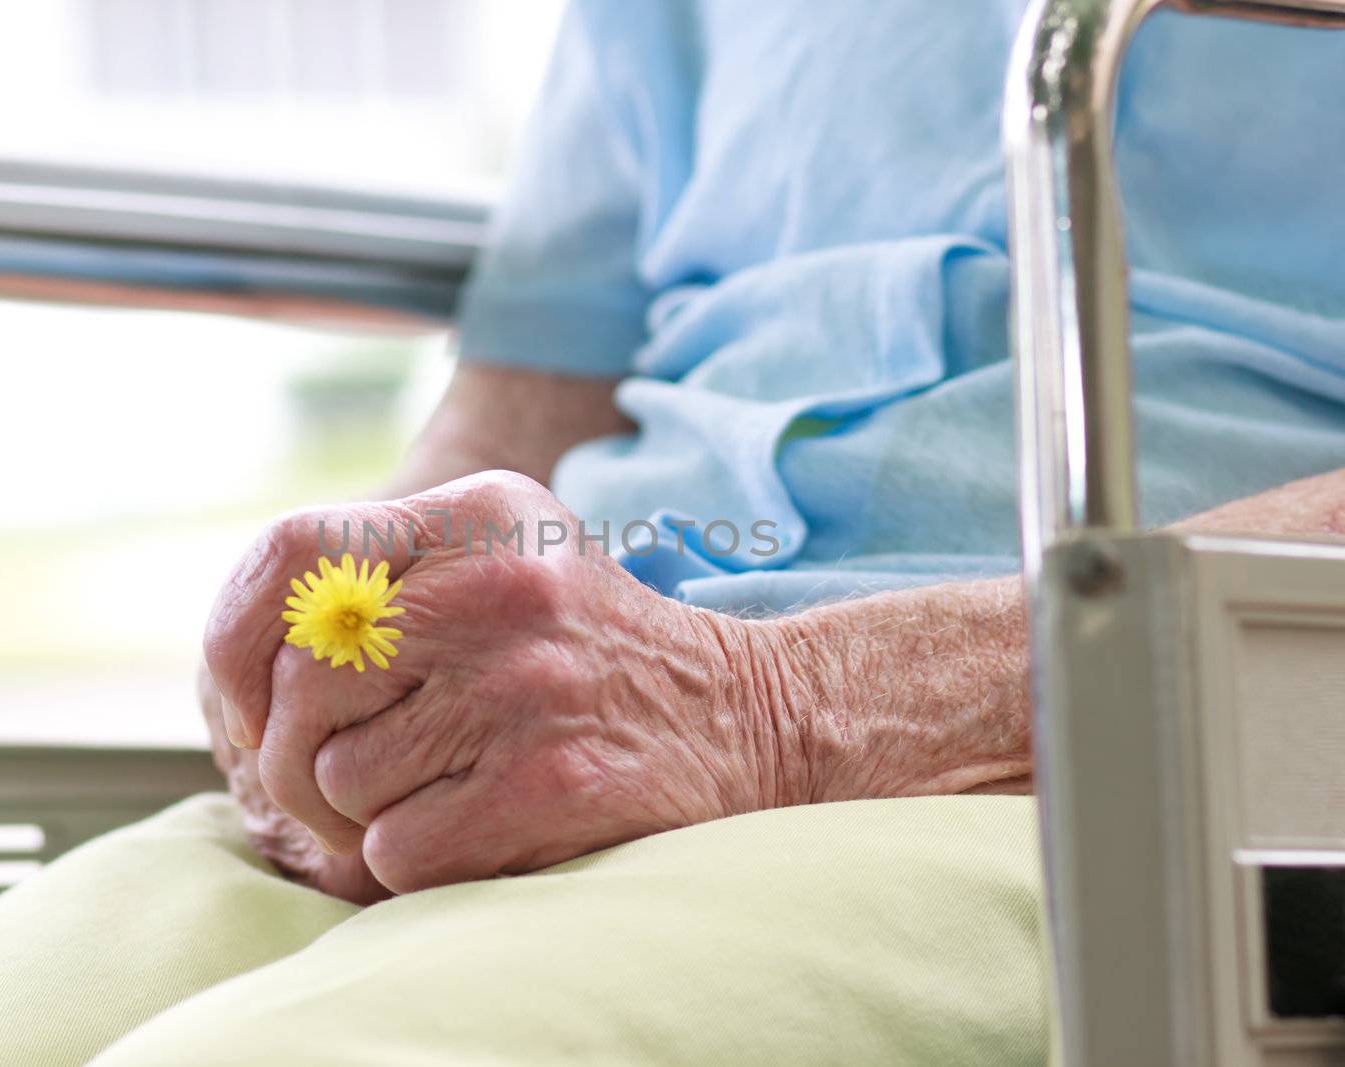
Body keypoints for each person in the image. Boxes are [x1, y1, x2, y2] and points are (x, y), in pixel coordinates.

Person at [200, 0, 1345, 904]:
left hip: (1094, 793)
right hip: (546, 760)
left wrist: (775, 715)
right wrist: (315, 693)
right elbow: (505, 420)